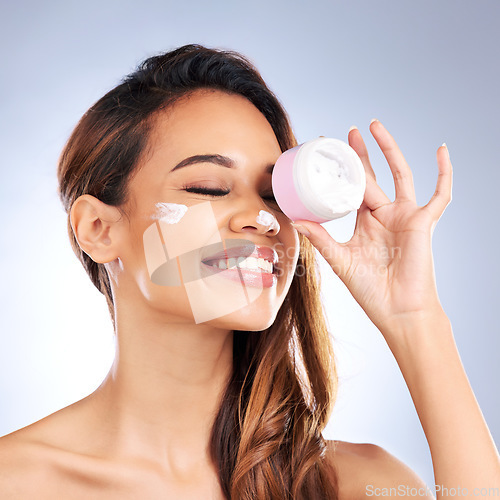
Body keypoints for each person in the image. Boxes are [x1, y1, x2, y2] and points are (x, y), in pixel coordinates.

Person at [0, 44, 498, 499]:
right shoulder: (17, 481)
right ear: (98, 229)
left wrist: (414, 318)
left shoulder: (359, 483)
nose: (261, 218)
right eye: (210, 189)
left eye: (273, 195)